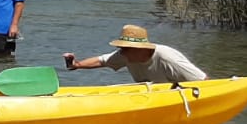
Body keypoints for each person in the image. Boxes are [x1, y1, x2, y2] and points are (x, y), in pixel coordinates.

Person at [63, 25, 206, 84]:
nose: (121, 52)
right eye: (121, 48)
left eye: (125, 48)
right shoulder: (126, 55)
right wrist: (76, 65)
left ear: (141, 48)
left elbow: (204, 81)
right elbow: (101, 61)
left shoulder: (168, 59)